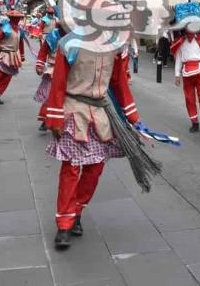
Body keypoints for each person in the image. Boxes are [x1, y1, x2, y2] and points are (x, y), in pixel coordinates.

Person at [45, 45, 158, 250]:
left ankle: (77, 210)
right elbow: (58, 82)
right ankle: (64, 224)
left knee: (95, 168)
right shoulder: (69, 45)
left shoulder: (115, 49)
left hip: (99, 114)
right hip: (73, 112)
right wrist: (54, 117)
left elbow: (119, 84)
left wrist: (134, 118)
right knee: (70, 169)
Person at [170, 2, 200, 135]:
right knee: (189, 98)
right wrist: (177, 74)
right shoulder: (181, 42)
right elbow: (178, 58)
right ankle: (194, 122)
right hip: (186, 72)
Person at [35, 21, 65, 131]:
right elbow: (43, 51)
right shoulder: (52, 36)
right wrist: (39, 65)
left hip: (69, 72)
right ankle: (45, 120)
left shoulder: (74, 36)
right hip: (53, 69)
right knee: (50, 96)